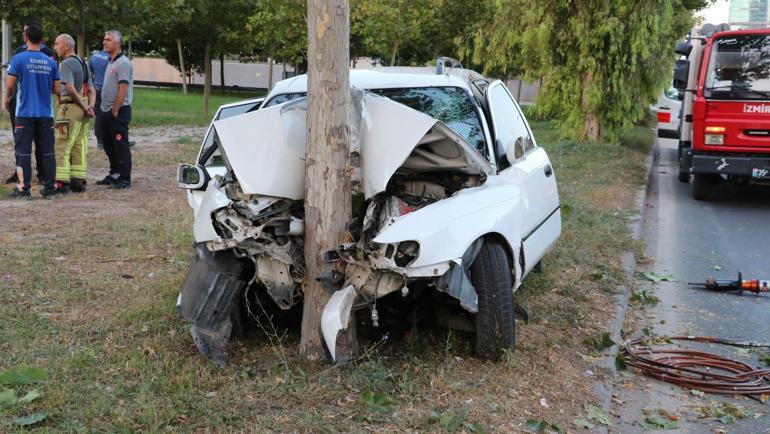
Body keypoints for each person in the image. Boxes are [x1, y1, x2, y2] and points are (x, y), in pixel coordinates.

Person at [4, 23, 60, 199]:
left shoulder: (18, 58)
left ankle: (23, 188)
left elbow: (10, 84)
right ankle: (50, 188)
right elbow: (57, 89)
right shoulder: (50, 61)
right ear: (42, 40)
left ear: (26, 38)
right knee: (48, 152)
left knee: (23, 152)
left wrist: (7, 97)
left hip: (25, 114)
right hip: (45, 114)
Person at [53, 34, 95, 193]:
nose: (55, 47)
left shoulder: (66, 63)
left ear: (67, 46)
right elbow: (91, 89)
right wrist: (90, 106)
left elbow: (69, 88)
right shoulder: (83, 63)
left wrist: (84, 107)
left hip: (70, 109)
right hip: (83, 110)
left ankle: (60, 182)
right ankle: (78, 181)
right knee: (80, 144)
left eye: (58, 44)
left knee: (62, 144)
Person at [95, 30, 133, 189]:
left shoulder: (123, 63)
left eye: (108, 40)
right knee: (107, 142)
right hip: (105, 109)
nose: (104, 42)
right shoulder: (111, 61)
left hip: (118, 110)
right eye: (104, 39)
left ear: (118, 43)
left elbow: (123, 88)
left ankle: (124, 178)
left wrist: (115, 109)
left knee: (120, 143)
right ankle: (114, 172)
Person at [88, 48, 109, 149]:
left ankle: (100, 141)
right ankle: (108, 139)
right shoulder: (111, 58)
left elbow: (88, 73)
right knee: (107, 114)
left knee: (98, 115)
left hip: (95, 89)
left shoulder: (94, 56)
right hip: (107, 89)